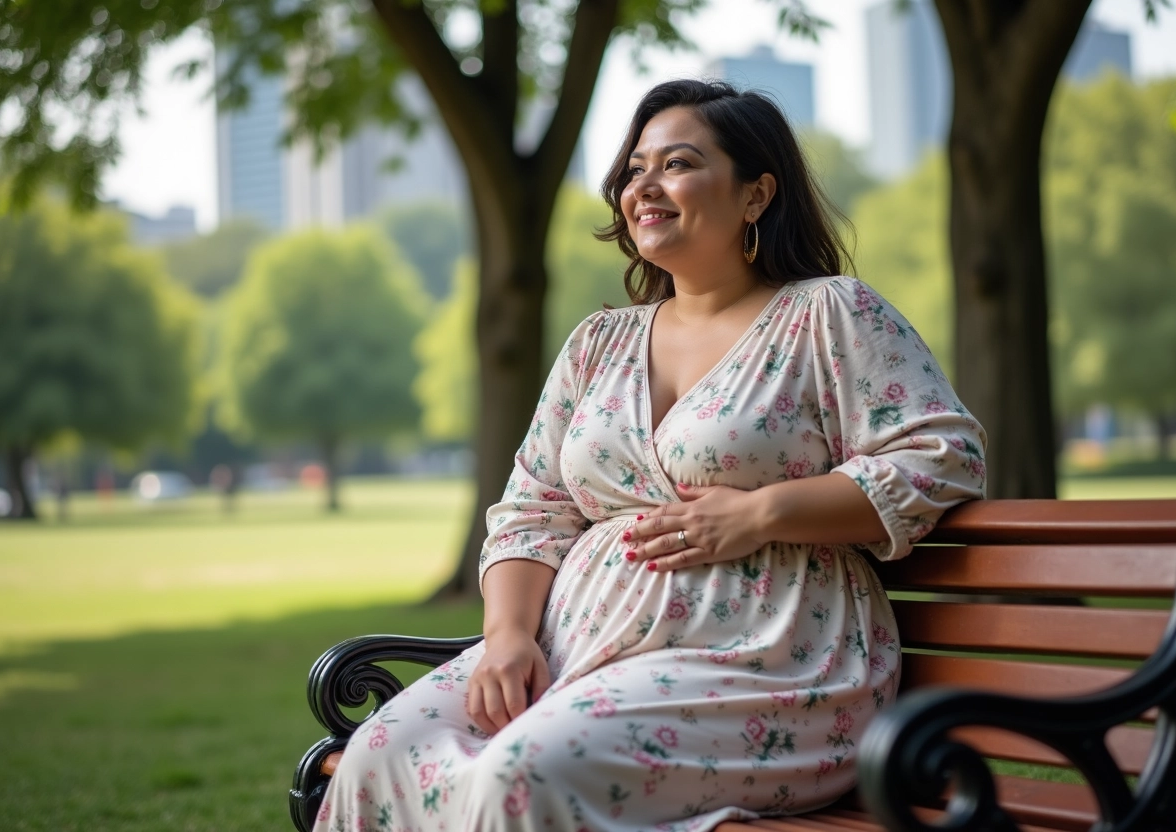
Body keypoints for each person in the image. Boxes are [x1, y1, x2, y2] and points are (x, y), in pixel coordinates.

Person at [314, 79, 986, 832]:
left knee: (521, 775)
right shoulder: (598, 344)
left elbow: (942, 456)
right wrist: (506, 635)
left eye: (677, 164)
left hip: (768, 657)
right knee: (378, 754)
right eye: (635, 169)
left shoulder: (829, 313)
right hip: (576, 649)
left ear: (756, 194)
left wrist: (764, 514)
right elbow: (532, 507)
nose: (644, 187)